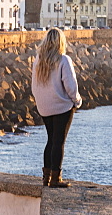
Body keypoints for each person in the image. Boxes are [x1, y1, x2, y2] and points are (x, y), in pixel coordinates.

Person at [31, 27, 81, 188]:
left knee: (50, 140)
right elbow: (71, 86)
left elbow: (34, 86)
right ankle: (55, 179)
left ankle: (46, 177)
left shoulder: (38, 60)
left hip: (44, 107)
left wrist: (40, 101)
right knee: (58, 141)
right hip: (61, 107)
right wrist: (77, 101)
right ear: (60, 42)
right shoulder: (63, 60)